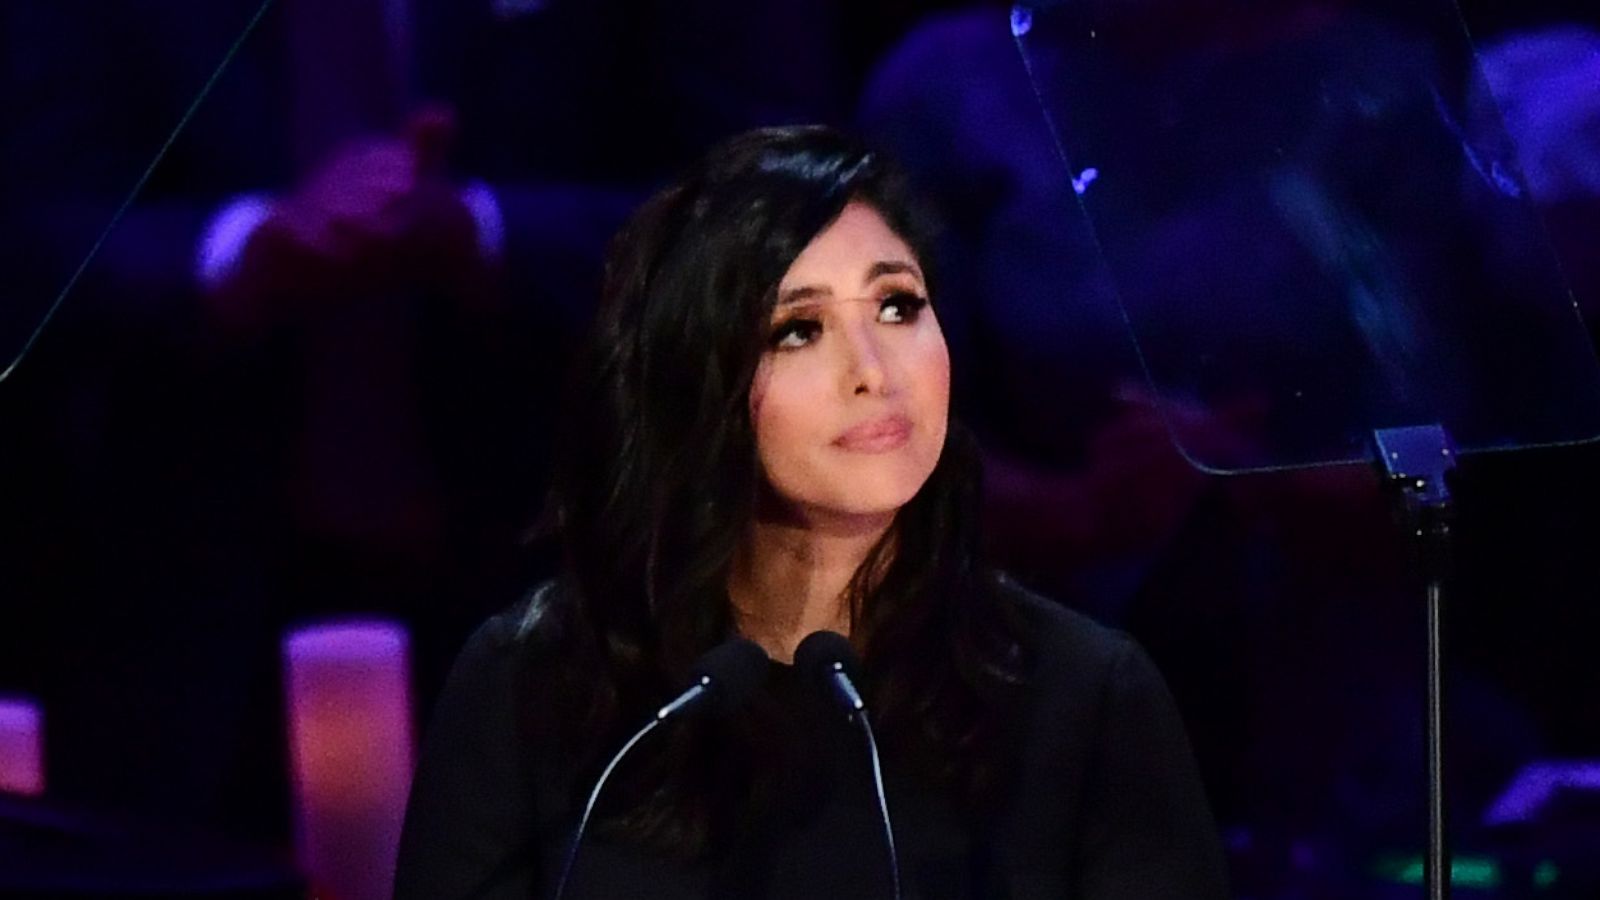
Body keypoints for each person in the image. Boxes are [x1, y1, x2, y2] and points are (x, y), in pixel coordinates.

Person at [393, 125, 1228, 899]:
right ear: (698, 380)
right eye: (798, 329)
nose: (873, 370)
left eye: (899, 307)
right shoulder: (530, 686)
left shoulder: (1085, 700)